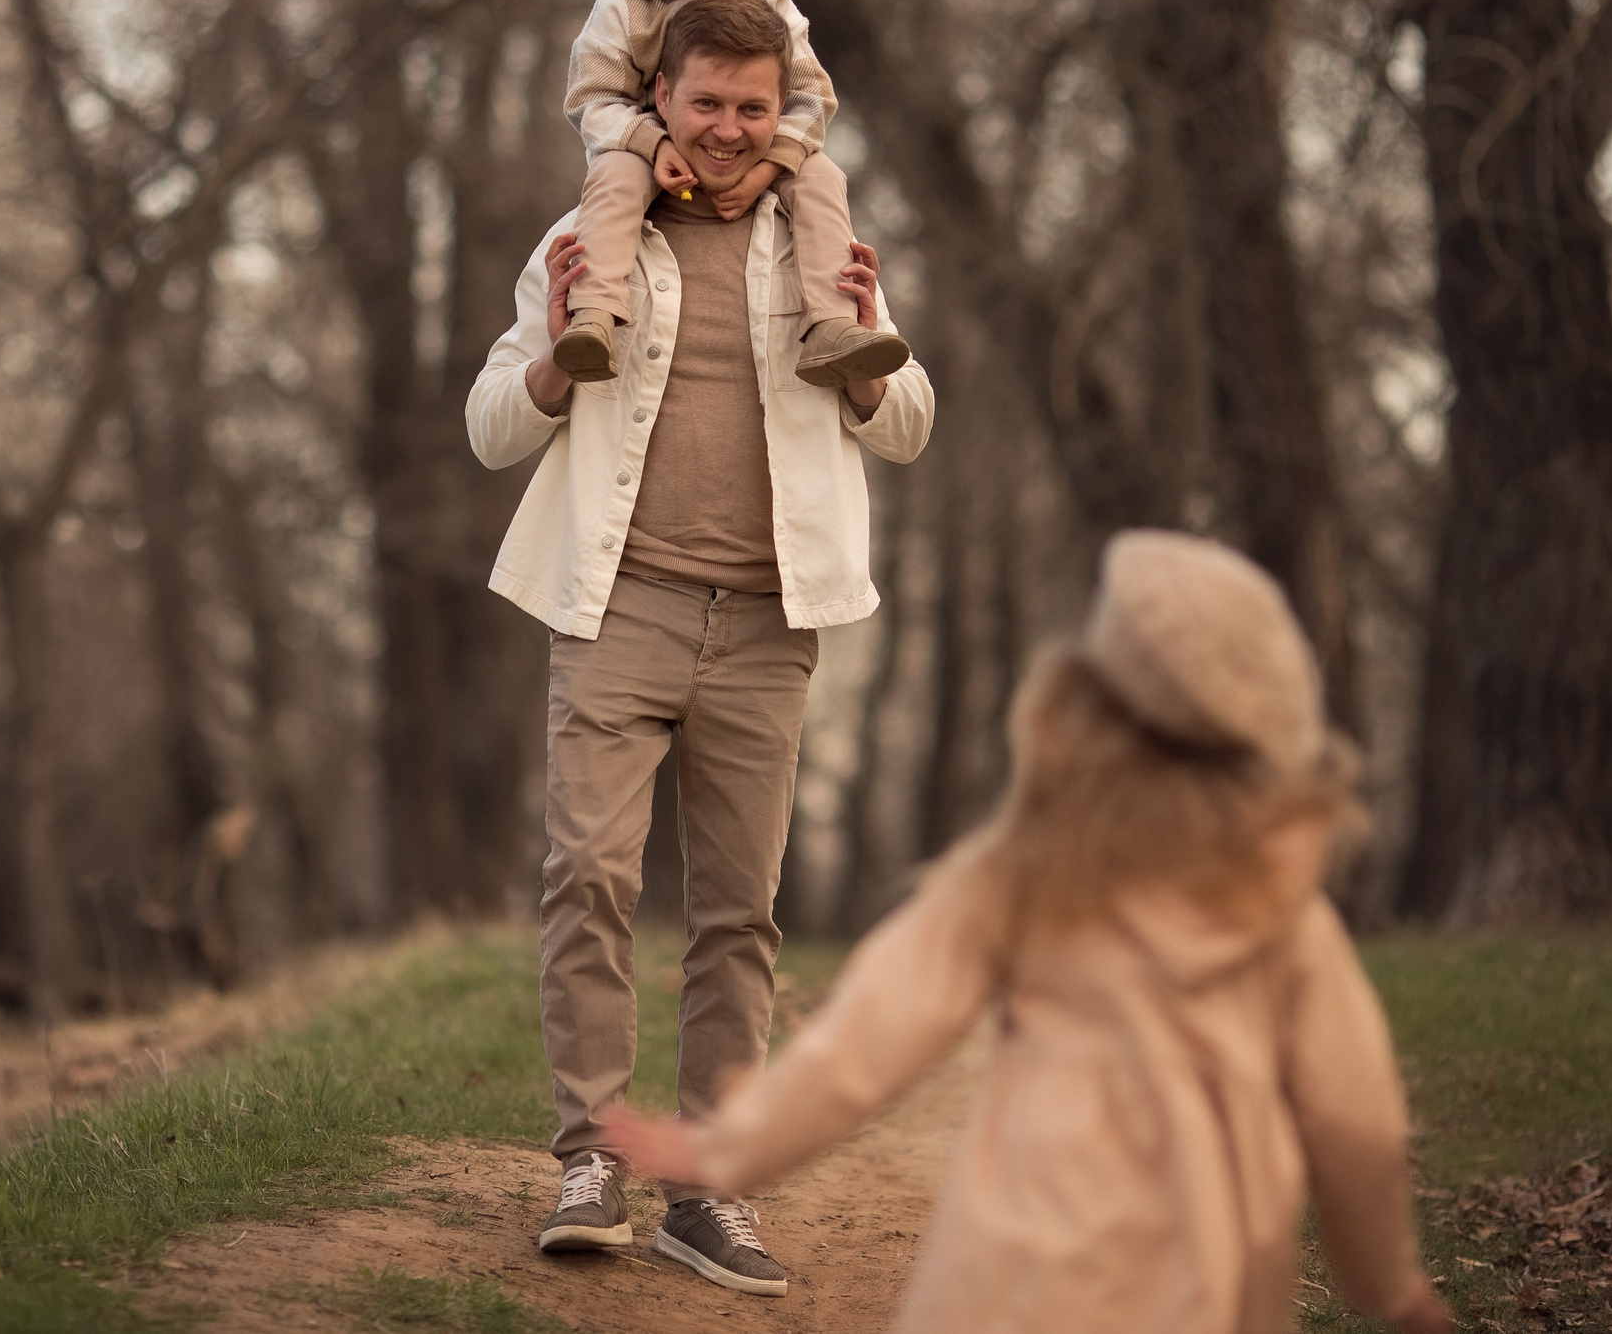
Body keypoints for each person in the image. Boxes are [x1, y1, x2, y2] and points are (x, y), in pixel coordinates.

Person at [602, 531, 1458, 1334]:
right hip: (1204, 1287)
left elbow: (872, 1036)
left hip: (1013, 1270)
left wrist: (731, 1147)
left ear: (1083, 704)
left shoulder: (1025, 872)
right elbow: (1357, 1123)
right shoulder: (1286, 917)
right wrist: (1389, 1281)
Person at [466, 0, 933, 1297]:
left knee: (739, 914)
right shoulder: (590, 234)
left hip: (768, 627)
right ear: (659, 100)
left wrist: (866, 357)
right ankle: (591, 1163)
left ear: (782, 111)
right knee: (588, 880)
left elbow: (908, 422)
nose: (728, 128)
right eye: (705, 102)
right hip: (617, 607)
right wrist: (554, 363)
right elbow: (491, 425)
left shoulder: (817, 239)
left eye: (751, 106)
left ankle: (706, 1189)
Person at [553, 0, 908, 394]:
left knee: (821, 176)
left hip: (754, 152)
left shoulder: (767, 0)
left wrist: (768, 169)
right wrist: (653, 143)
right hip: (649, 152)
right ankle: (593, 316)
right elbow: (591, 97)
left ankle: (833, 323)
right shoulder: (622, 5)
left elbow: (812, 97)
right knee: (614, 174)